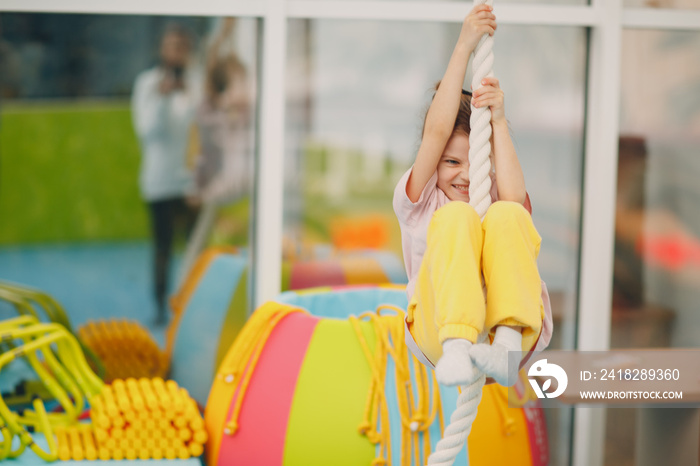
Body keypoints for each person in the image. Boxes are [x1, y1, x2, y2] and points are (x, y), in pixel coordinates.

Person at [393, 4, 552, 387]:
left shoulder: (495, 193)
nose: (465, 175)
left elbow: (516, 204)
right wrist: (464, 47)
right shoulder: (421, 202)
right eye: (450, 162)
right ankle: (458, 345)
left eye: (473, 161)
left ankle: (508, 343)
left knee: (508, 215)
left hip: (512, 333)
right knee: (457, 218)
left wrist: (497, 120)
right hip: (439, 331)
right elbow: (436, 131)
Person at [132, 23, 201, 325]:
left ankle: (193, 304)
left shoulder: (197, 86)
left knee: (195, 249)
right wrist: (162, 99)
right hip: (159, 182)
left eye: (181, 47)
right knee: (163, 249)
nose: (176, 53)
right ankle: (160, 305)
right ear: (162, 49)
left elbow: (202, 132)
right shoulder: (147, 84)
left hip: (191, 183)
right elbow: (146, 132)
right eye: (172, 46)